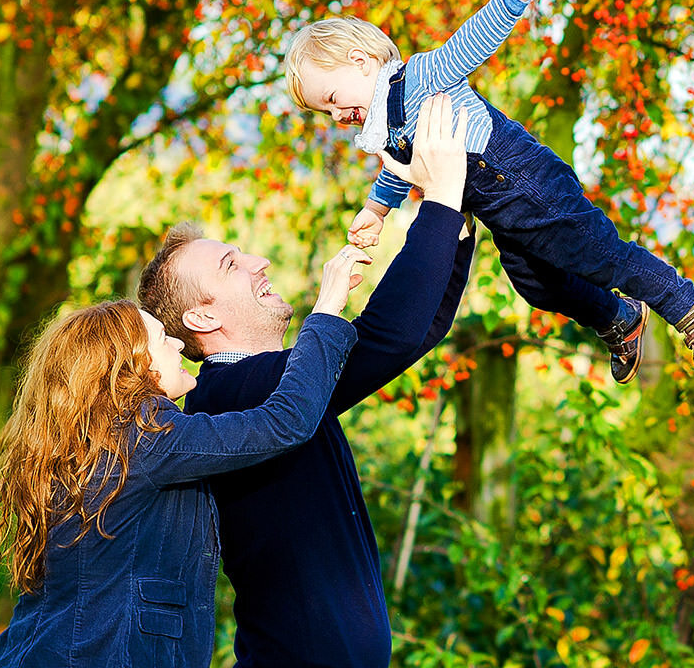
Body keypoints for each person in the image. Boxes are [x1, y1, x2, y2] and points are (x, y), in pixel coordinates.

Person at [137, 94, 474, 668]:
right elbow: (387, 338)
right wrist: (439, 204)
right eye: (230, 265)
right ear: (202, 319)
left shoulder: (273, 383)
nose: (258, 262)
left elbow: (412, 333)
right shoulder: (231, 397)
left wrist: (457, 222)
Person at [283, 0, 694, 385]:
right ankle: (619, 318)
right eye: (325, 112)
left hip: (524, 178)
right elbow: (402, 169)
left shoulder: (417, 77)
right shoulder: (386, 129)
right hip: (500, 210)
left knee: (597, 251)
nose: (336, 115)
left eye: (333, 98)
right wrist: (376, 211)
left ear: (360, 62)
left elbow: (469, 43)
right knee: (537, 286)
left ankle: (690, 308)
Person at [0, 245, 372, 668]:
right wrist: (327, 311)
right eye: (160, 338)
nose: (177, 343)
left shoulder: (98, 440)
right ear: (131, 367)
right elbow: (285, 422)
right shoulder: (147, 433)